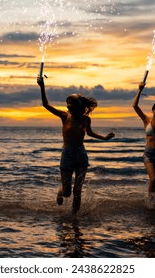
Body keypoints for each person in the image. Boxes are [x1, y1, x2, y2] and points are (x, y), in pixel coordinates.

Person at [37, 76, 115, 213]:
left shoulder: (86, 120)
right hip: (67, 155)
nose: (68, 107)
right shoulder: (64, 116)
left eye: (71, 104)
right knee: (68, 192)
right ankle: (61, 191)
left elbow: (89, 133)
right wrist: (42, 86)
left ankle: (75, 220)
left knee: (77, 190)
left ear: (79, 106)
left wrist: (104, 138)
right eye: (68, 104)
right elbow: (45, 105)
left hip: (81, 155)